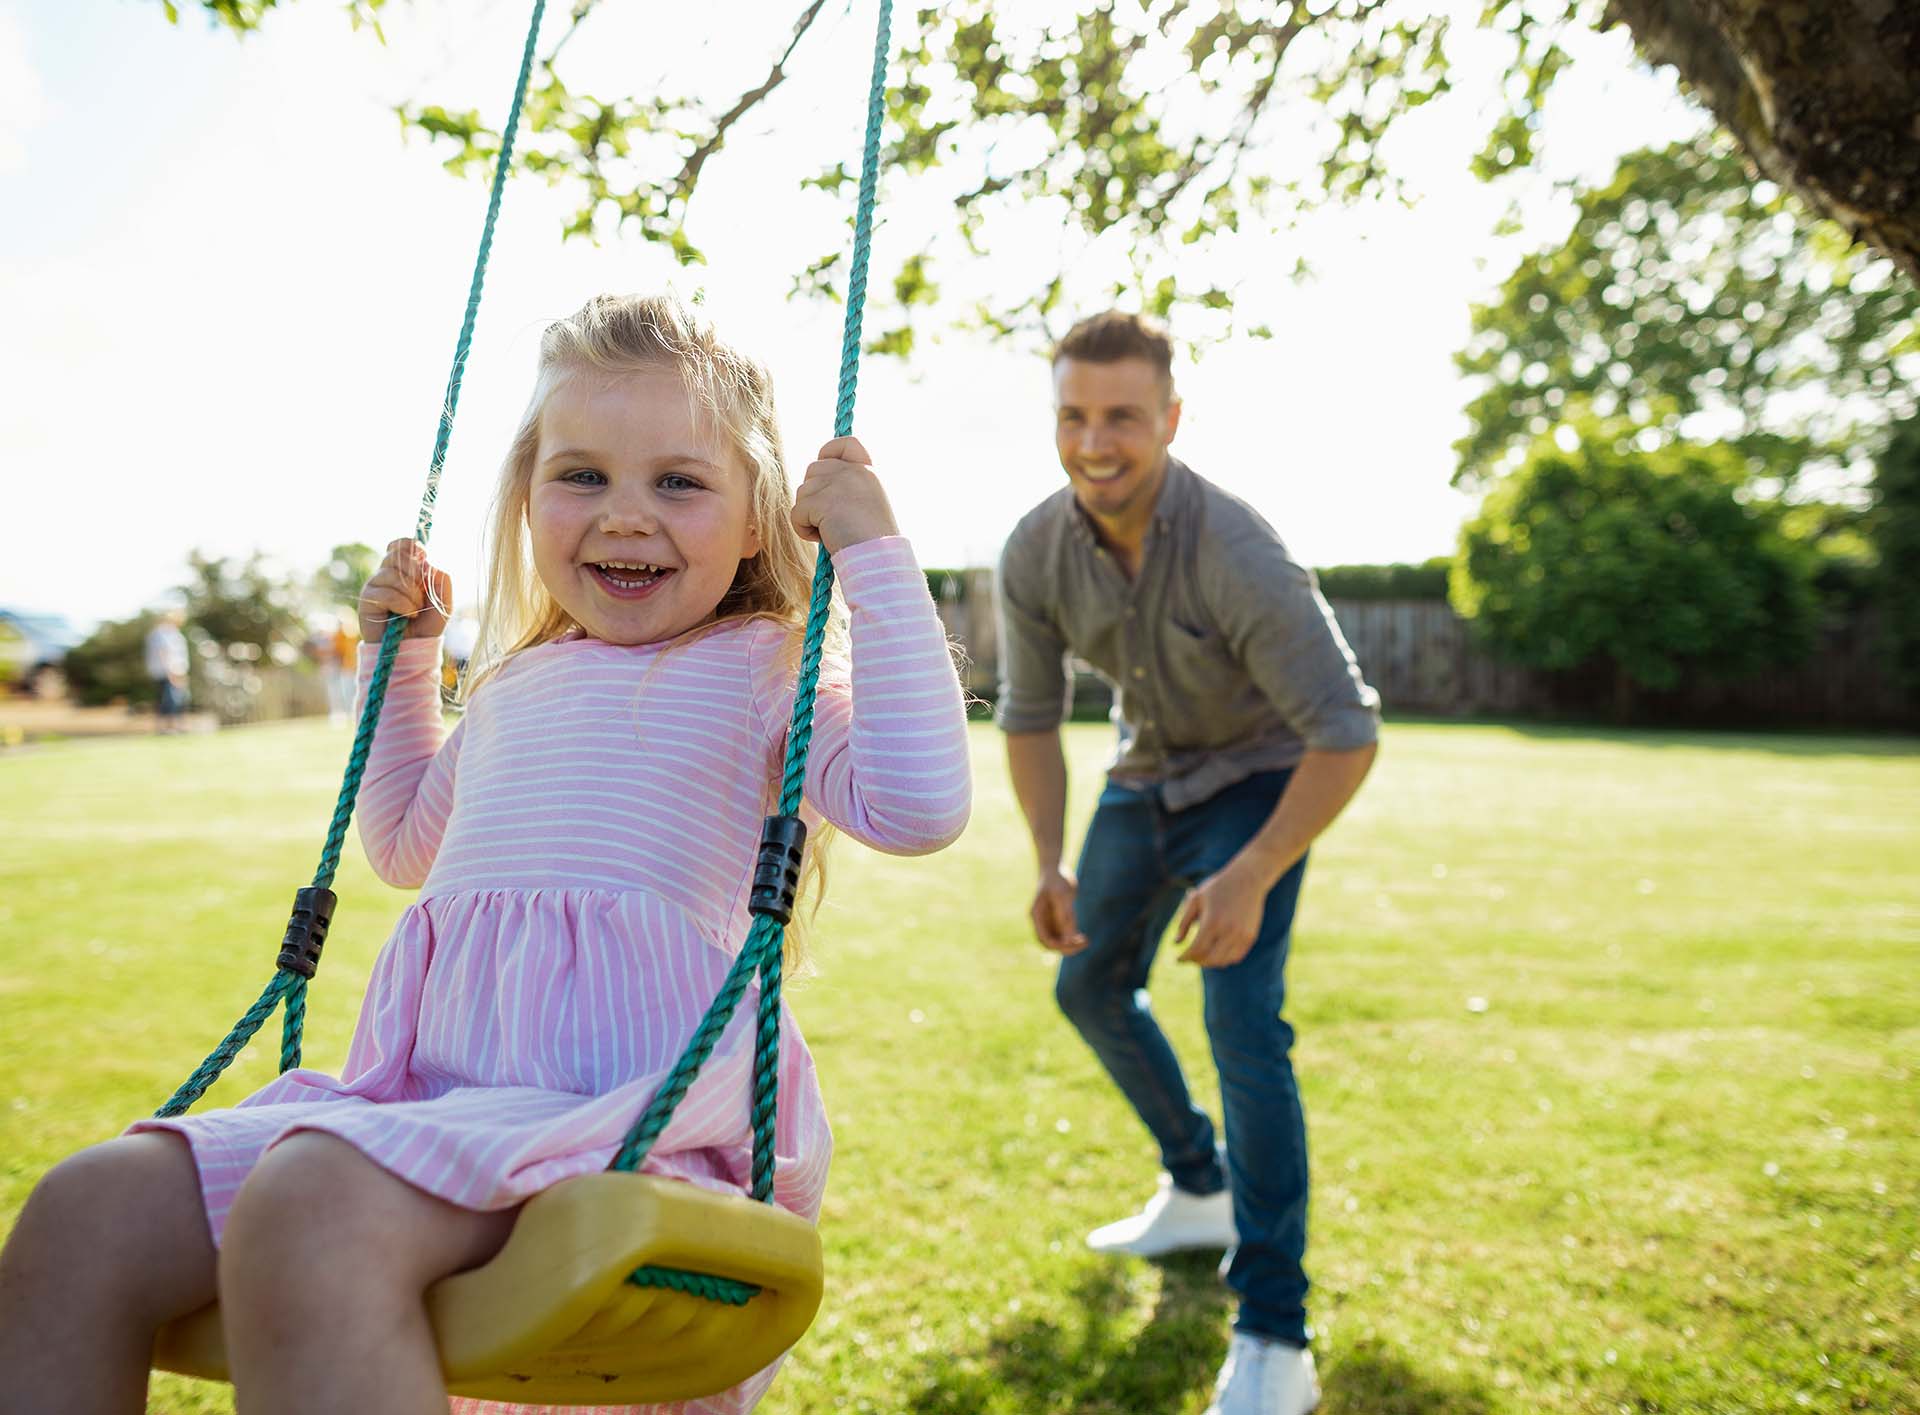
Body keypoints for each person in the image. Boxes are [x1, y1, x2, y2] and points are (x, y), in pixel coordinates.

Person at [0, 294, 973, 1415]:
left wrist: (877, 553)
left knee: (308, 1198)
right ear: (526, 498)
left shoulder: (766, 670)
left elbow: (919, 803)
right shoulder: (513, 682)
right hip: (430, 1099)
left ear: (760, 518)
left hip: (625, 1113)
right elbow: (407, 842)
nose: (624, 516)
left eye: (678, 481)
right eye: (582, 475)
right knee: (85, 1208)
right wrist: (401, 663)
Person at [995, 311, 1379, 1415]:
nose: (1095, 441)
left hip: (1259, 780)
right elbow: (1027, 714)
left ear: (1170, 418)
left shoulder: (1237, 549)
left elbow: (1347, 729)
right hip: (1145, 774)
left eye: (1122, 416)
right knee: (1088, 981)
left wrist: (1253, 870)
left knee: (1242, 1024)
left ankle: (1274, 1329)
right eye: (1074, 415)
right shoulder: (1035, 548)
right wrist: (1047, 859)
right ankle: (1199, 1181)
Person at [144, 607, 190, 733]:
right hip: (167, 672)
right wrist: (171, 673)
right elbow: (163, 653)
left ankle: (176, 726)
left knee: (178, 699)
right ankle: (167, 728)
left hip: (177, 671)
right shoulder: (160, 633)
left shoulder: (173, 632)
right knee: (168, 700)